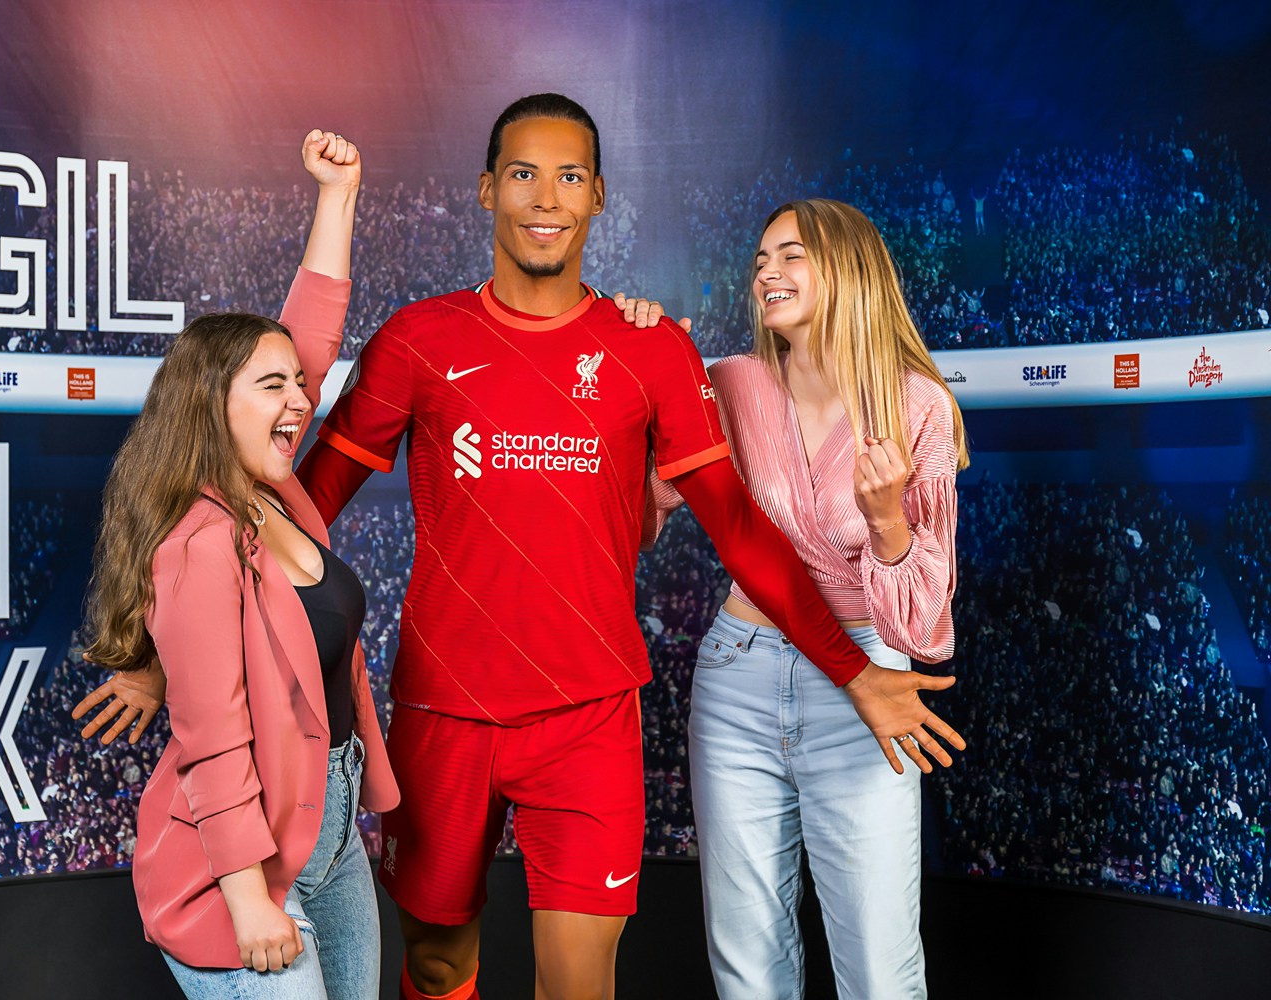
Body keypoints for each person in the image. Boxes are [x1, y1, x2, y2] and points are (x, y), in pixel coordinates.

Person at [85, 95, 962, 1000]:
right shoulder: (417, 340)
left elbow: (741, 530)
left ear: (598, 196)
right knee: (435, 964)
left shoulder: (650, 349)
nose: (546, 197)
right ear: (486, 190)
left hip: (590, 717)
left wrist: (856, 673)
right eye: (523, 174)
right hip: (442, 716)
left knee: (579, 981)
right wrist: (163, 656)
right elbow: (284, 512)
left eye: (570, 176)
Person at [78, 130, 399, 1000]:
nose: (300, 399)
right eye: (273, 387)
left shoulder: (277, 494)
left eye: (299, 384)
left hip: (330, 837)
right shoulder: (198, 542)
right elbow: (214, 738)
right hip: (242, 862)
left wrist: (338, 196)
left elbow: (308, 339)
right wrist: (248, 897)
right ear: (210, 407)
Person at [637, 198, 969, 998]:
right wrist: (641, 355)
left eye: (791, 255)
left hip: (867, 680)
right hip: (737, 680)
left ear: (849, 268)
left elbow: (924, 628)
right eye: (760, 261)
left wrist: (888, 523)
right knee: (747, 966)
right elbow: (643, 515)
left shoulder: (918, 403)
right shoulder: (728, 384)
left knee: (881, 969)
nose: (767, 273)